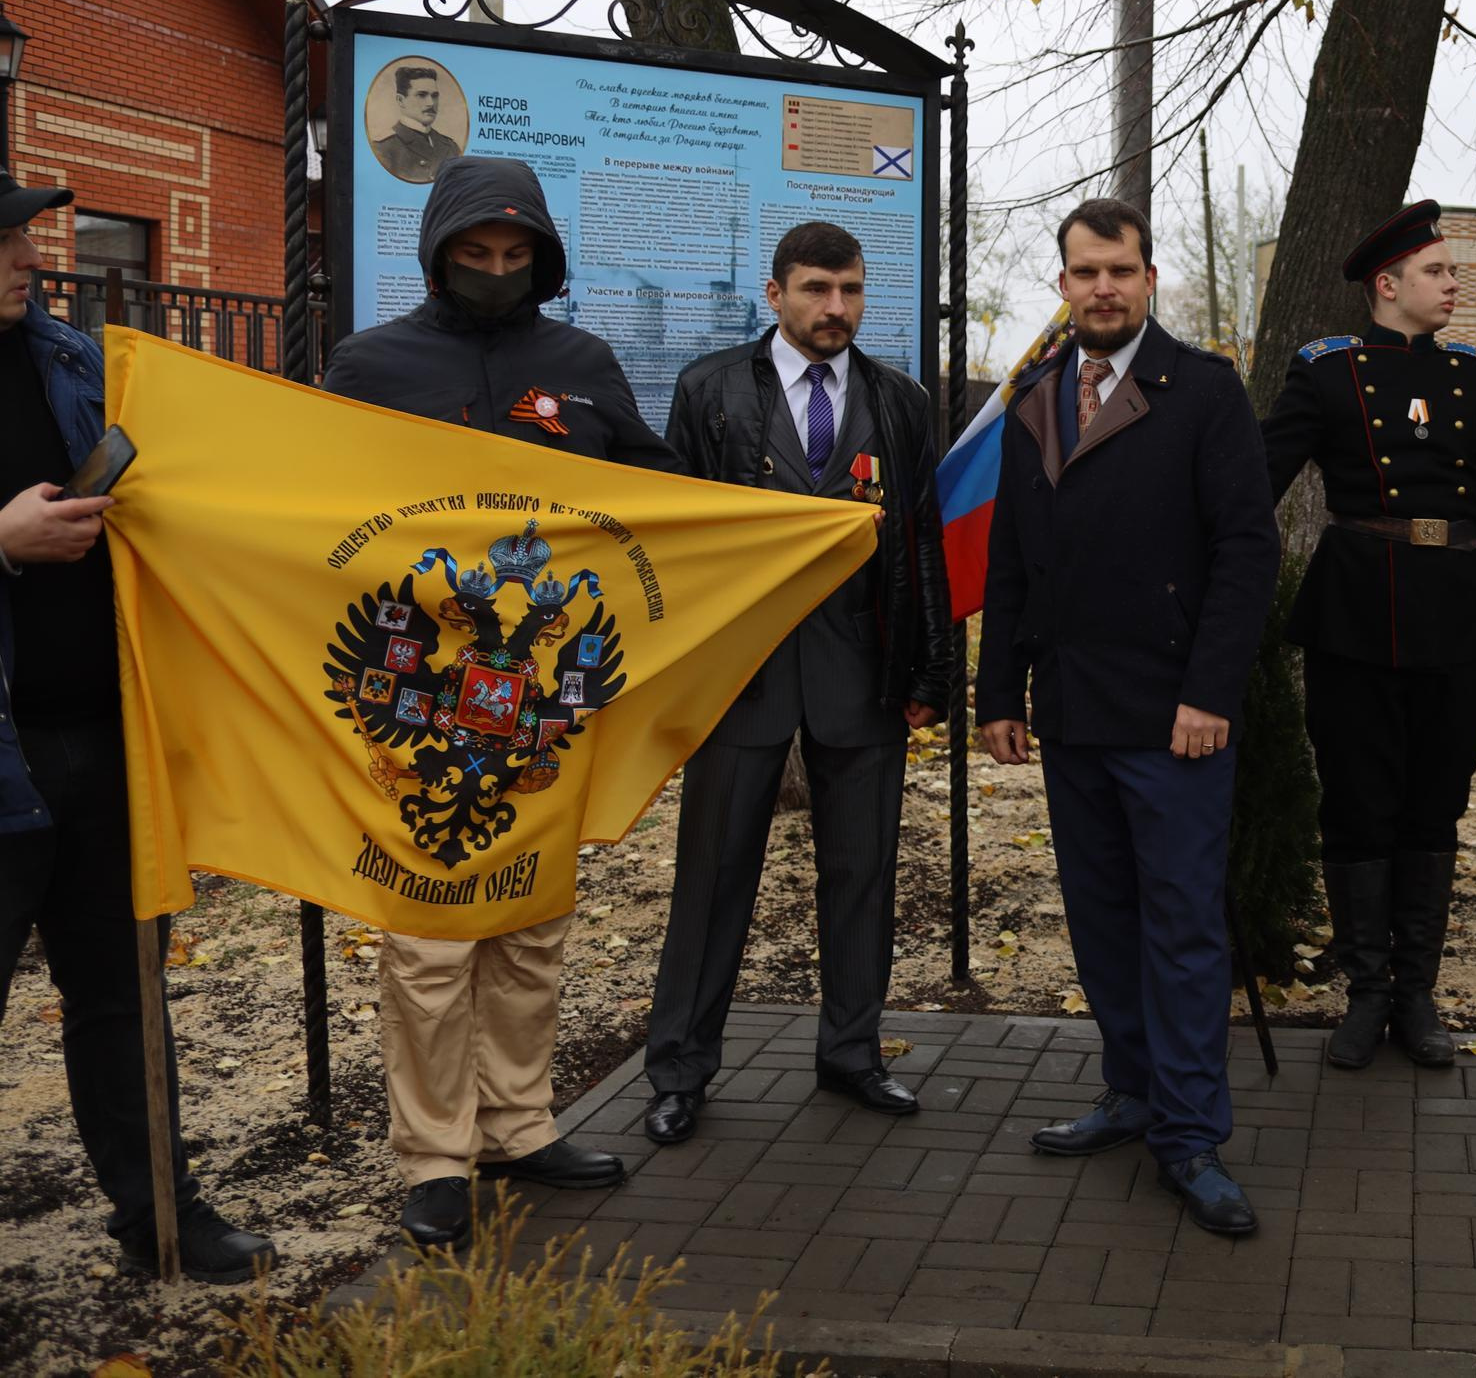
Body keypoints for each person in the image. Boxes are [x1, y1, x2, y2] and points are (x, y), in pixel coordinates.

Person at [324, 155, 681, 1248]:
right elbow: (304, 504)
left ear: (542, 258)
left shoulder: (582, 361)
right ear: (437, 252)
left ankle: (519, 1127)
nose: (494, 272)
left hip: (544, 696)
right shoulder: (368, 365)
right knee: (428, 942)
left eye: (514, 256)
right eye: (474, 255)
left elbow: (653, 492)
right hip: (421, 694)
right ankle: (435, 1156)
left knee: (530, 922)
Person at [976, 197, 1279, 1236]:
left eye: (1120, 270)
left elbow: (1246, 552)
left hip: (1171, 717)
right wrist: (998, 696)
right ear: (1061, 286)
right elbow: (1010, 559)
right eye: (1083, 273)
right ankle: (1133, 1092)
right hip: (1069, 713)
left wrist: (1210, 694)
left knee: (1183, 931)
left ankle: (1190, 1137)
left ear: (1150, 280)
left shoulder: (1202, 392)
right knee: (1103, 920)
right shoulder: (1036, 399)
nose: (1102, 288)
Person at [0, 173, 275, 1282]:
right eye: (6, 236)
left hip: (102, 736)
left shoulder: (71, 359)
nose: (30, 251)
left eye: (25, 231)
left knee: (122, 992)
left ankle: (159, 1211)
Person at [642, 222, 956, 1143]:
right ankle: (679, 1070)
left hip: (863, 670)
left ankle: (852, 1053)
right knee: (712, 875)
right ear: (774, 293)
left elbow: (922, 544)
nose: (837, 309)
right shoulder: (711, 390)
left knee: (862, 872)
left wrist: (933, 669)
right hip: (742, 674)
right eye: (818, 289)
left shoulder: (900, 401)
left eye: (852, 291)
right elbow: (679, 540)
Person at [1257, 200, 1476, 1071]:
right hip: (1356, 615)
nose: (1454, 284)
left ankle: (1416, 991)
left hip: (1456, 615)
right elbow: (1257, 474)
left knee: (1434, 806)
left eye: (1450, 271)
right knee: (1357, 801)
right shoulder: (1327, 372)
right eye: (1437, 272)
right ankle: (1365, 988)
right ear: (1388, 285)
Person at [372, 64, 464, 184]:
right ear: (401, 100)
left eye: (435, 96)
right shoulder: (384, 147)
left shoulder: (451, 147)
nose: (431, 103)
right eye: (421, 95)